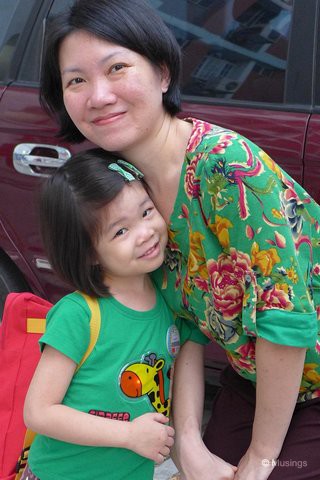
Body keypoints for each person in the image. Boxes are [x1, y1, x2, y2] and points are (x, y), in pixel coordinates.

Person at [39, 1, 320, 479]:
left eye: (117, 67)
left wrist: (263, 458)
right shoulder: (126, 192)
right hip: (253, 375)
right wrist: (186, 440)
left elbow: (286, 324)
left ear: (163, 73)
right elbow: (182, 324)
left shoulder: (224, 167)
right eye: (76, 81)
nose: (99, 94)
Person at [22, 148, 187, 480]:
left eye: (146, 211)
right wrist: (128, 435)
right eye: (120, 231)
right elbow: (38, 412)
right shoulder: (78, 315)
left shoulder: (169, 299)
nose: (145, 232)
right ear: (89, 254)